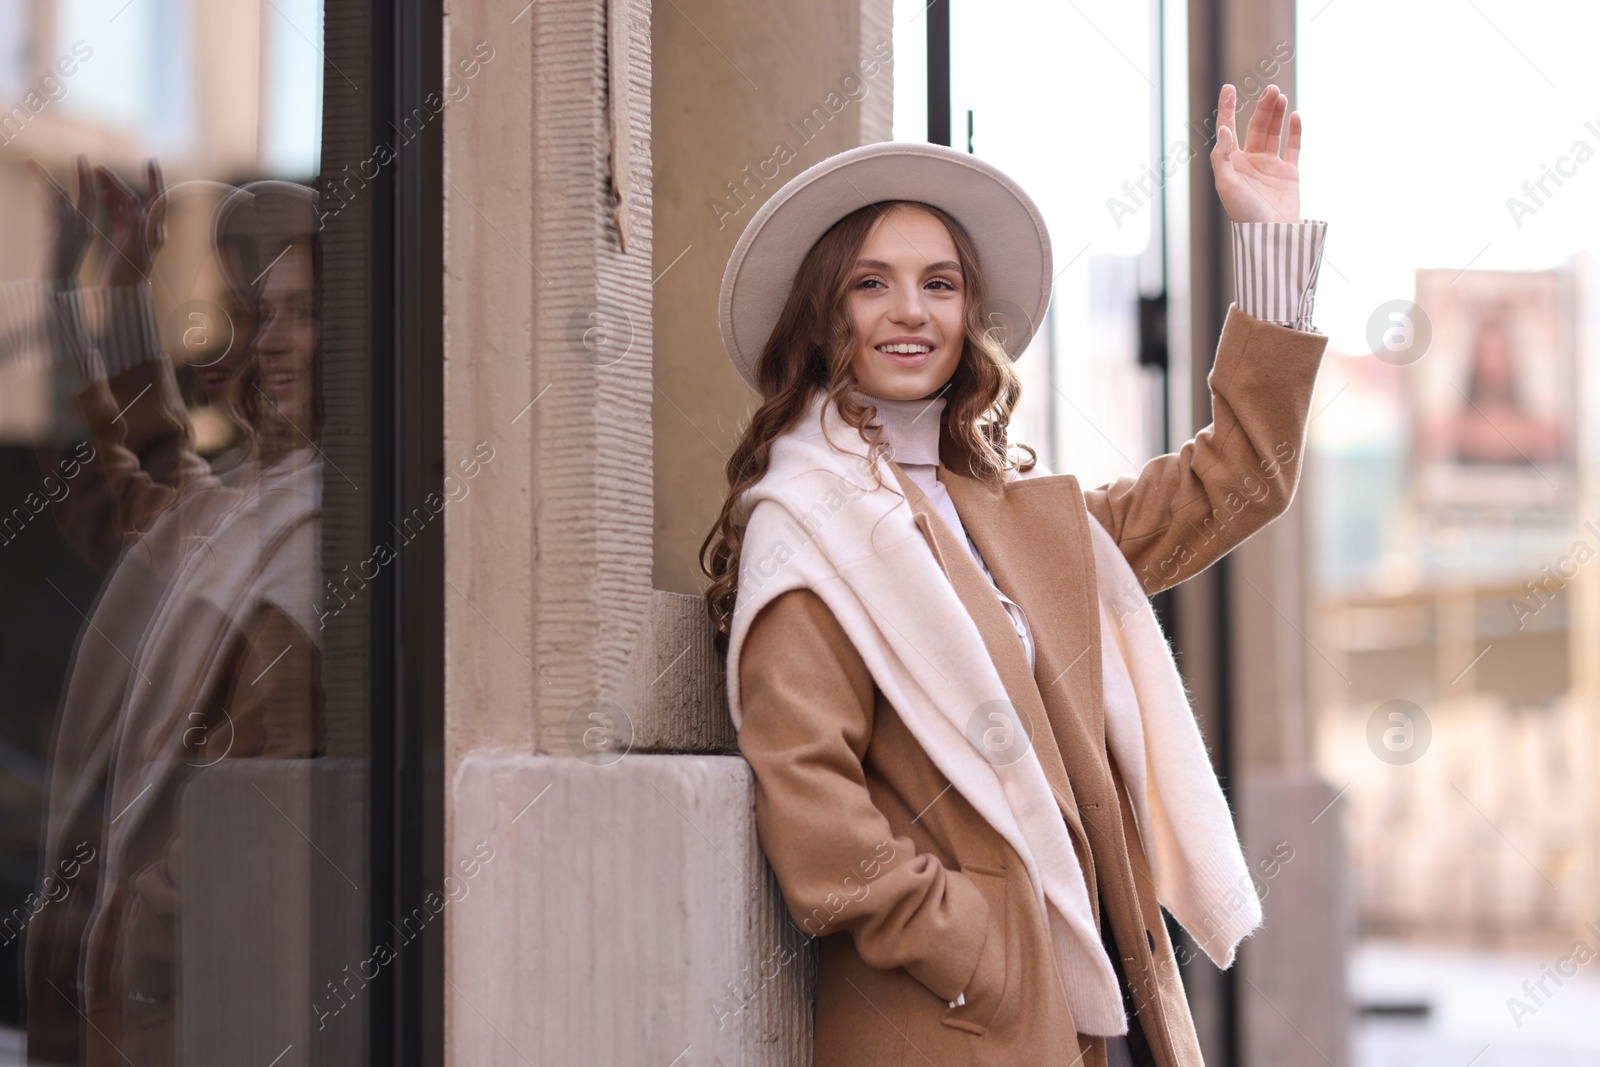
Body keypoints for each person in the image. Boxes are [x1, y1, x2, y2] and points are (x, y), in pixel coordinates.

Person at [701, 84, 1329, 1067]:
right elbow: (816, 817)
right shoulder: (805, 526)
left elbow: (1235, 480)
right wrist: (983, 947)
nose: (910, 311)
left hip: (1085, 1003)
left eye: (939, 284)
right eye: (871, 283)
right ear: (823, 313)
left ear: (969, 316)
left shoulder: (1019, 516)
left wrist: (1272, 259)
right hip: (948, 1022)